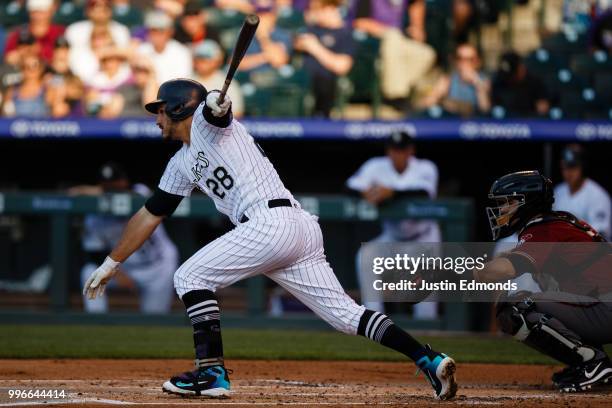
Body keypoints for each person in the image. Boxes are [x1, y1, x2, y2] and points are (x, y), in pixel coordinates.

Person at [82, 78, 458, 400]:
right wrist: (112, 262)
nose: (156, 118)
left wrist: (216, 101)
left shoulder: (207, 122)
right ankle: (429, 359)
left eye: (162, 109)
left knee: (190, 278)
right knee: (346, 316)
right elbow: (151, 213)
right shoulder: (180, 162)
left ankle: (211, 373)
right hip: (293, 229)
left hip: (271, 221)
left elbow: (219, 112)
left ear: (182, 107)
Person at [472, 170, 612, 392]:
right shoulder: (555, 223)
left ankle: (593, 363)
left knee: (514, 307)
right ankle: (586, 362)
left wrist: (468, 271)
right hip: (599, 302)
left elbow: (504, 270)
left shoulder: (543, 229)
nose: (502, 209)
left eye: (508, 202)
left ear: (527, 202)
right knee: (543, 295)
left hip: (604, 306)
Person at [346, 130, 441, 319]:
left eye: (401, 150)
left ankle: (427, 343)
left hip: (423, 240)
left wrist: (392, 193)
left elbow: (424, 192)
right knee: (367, 255)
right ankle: (374, 320)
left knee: (426, 312)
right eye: (393, 150)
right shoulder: (376, 166)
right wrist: (364, 192)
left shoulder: (425, 167)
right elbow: (350, 185)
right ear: (388, 151)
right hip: (393, 239)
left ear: (410, 151)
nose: (397, 154)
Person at [71, 163, 179, 314]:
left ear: (124, 181)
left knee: (154, 320)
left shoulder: (140, 191)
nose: (112, 189)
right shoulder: (94, 218)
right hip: (123, 268)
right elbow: (94, 253)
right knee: (89, 272)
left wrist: (101, 191)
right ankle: (96, 324)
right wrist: (119, 274)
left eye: (115, 184)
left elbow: (136, 198)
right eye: (107, 186)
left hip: (158, 267)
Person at [294, 0, 355, 117]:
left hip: (325, 84)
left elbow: (342, 66)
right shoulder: (311, 29)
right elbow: (295, 43)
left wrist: (315, 48)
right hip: (302, 80)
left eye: (319, 9)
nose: (315, 13)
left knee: (323, 83)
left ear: (332, 8)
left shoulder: (345, 35)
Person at [554, 145, 611, 240]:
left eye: (572, 167)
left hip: (593, 251)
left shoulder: (598, 195)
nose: (568, 172)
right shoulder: (558, 192)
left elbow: (600, 234)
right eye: (565, 167)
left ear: (582, 167)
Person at [137, 10, 193, 83]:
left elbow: (182, 83)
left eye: (160, 31)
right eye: (153, 30)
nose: (156, 35)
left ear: (170, 32)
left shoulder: (181, 52)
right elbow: (139, 80)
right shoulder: (142, 50)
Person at [191, 40, 244, 117]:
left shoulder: (227, 83)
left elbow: (237, 114)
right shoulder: (188, 80)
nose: (201, 62)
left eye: (206, 59)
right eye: (198, 58)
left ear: (217, 61)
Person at [4, 0, 65, 65]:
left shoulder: (61, 32)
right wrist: (20, 55)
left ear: (51, 11)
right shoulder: (18, 33)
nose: (37, 16)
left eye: (42, 12)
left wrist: (39, 51)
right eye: (34, 12)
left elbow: (62, 58)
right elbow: (9, 57)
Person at [492, 51, 550, 117]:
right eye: (508, 76)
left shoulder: (534, 82)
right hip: (504, 123)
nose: (510, 79)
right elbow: (490, 109)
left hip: (530, 121)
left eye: (513, 75)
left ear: (521, 67)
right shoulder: (499, 81)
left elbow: (543, 108)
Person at [64, 0, 130, 50]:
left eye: (106, 5)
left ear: (111, 10)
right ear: (87, 10)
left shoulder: (121, 31)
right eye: (94, 5)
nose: (100, 8)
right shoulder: (75, 30)